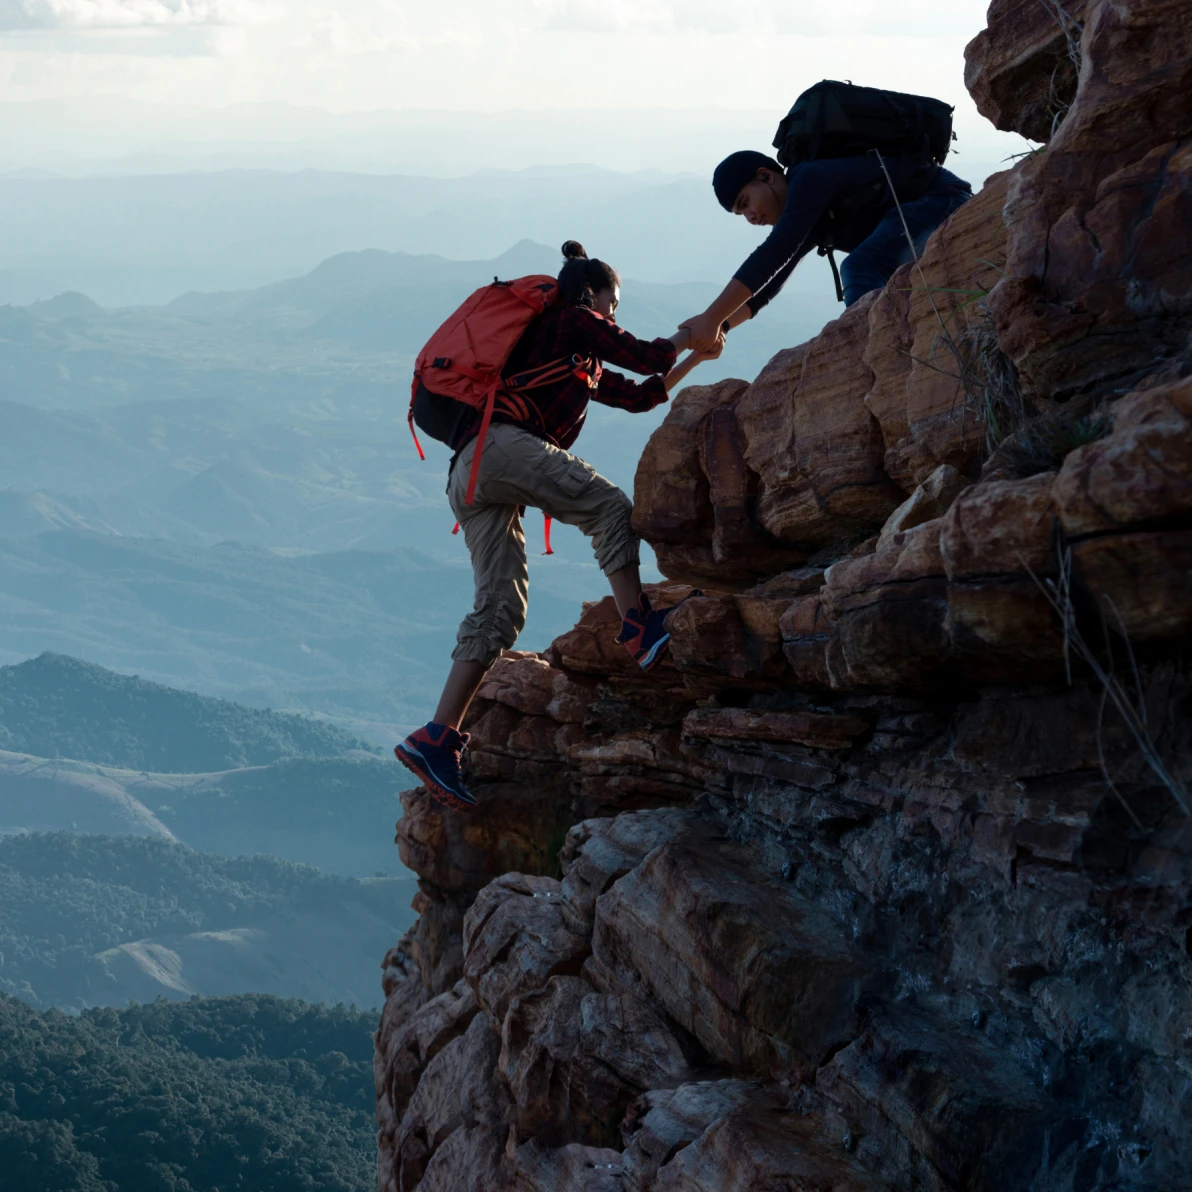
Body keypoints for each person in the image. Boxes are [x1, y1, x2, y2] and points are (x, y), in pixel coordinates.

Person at [395, 242, 711, 812]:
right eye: (612, 303)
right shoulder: (572, 319)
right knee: (610, 507)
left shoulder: (573, 357)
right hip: (502, 447)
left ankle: (435, 738)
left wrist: (697, 359)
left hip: (470, 472)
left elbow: (640, 396)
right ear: (591, 294)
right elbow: (644, 357)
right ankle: (639, 627)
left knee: (499, 610)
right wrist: (693, 332)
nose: (612, 315)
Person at [679, 148, 973, 354]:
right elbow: (768, 287)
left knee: (860, 267)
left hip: (943, 198)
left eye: (745, 203)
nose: (750, 217)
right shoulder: (807, 211)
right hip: (921, 213)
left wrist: (711, 318)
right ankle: (882, 349)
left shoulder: (809, 179)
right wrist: (721, 327)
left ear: (766, 176)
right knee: (864, 266)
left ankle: (878, 353)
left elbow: (775, 251)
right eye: (740, 214)